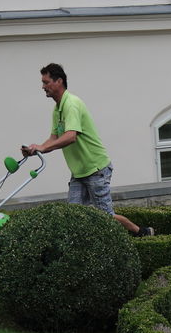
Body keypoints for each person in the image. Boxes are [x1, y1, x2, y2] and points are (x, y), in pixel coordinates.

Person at [22, 63, 154, 237]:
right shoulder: (57, 109)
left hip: (96, 169)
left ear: (59, 81)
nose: (43, 86)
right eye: (43, 82)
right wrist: (36, 149)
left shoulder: (72, 104)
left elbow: (71, 136)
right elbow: (54, 137)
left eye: (46, 82)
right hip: (79, 173)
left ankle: (141, 232)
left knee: (104, 217)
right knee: (73, 216)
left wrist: (44, 147)